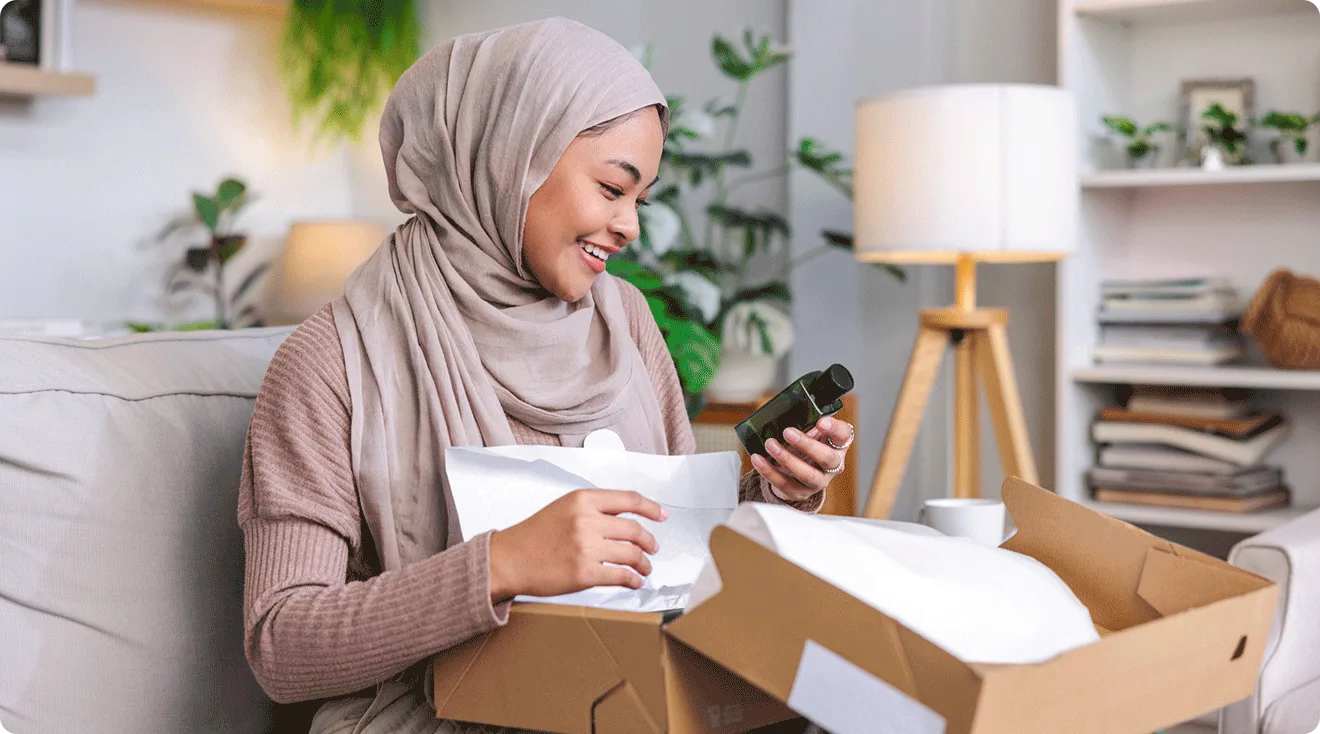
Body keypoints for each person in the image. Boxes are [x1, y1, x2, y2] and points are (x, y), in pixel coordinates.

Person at [237, 17, 856, 734]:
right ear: (510, 155)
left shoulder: (626, 321)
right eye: (610, 187)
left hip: (634, 701)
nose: (628, 226)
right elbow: (280, 647)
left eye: (640, 200)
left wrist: (775, 494)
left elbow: (674, 561)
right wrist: (498, 566)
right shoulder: (334, 361)